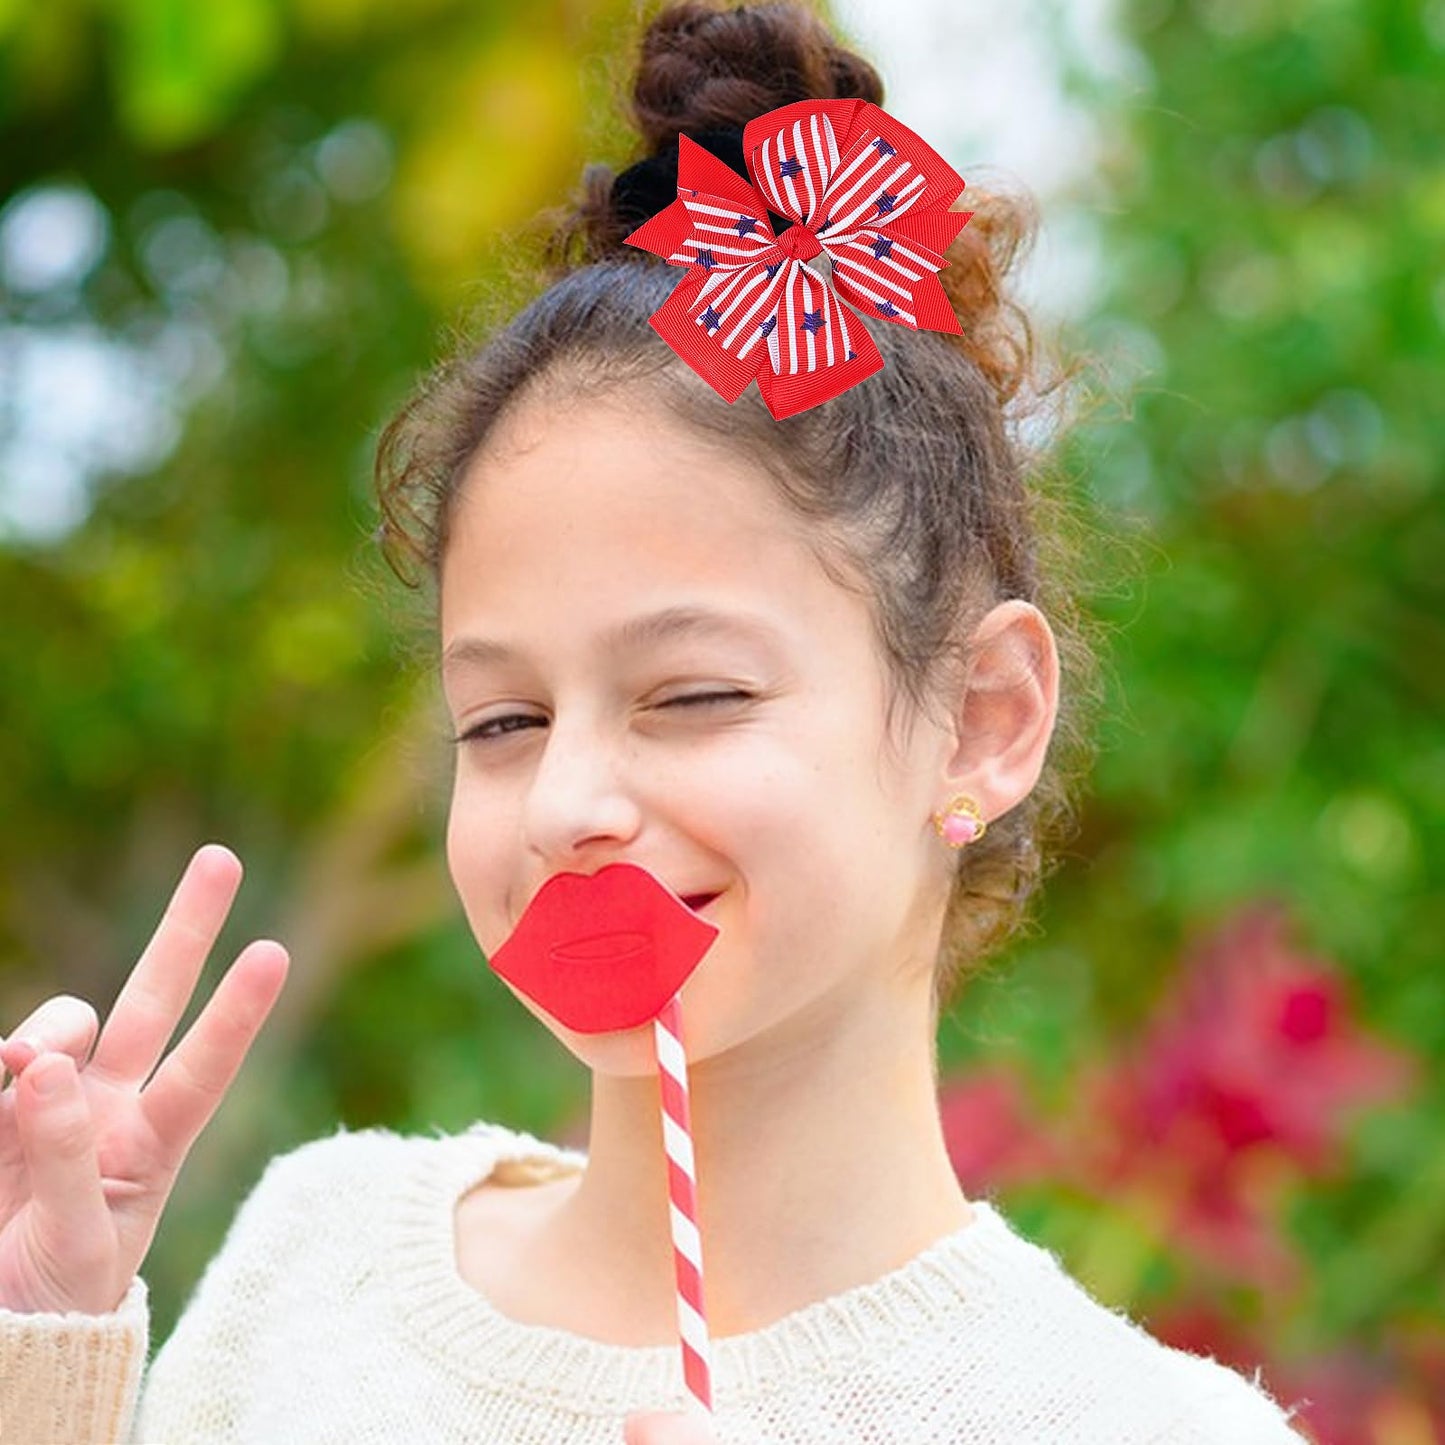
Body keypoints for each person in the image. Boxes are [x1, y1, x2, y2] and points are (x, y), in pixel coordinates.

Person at [0, 2, 1312, 1441]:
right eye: (499, 720)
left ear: (978, 719)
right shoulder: (318, 1260)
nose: (564, 803)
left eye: (691, 694)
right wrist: (43, 1348)